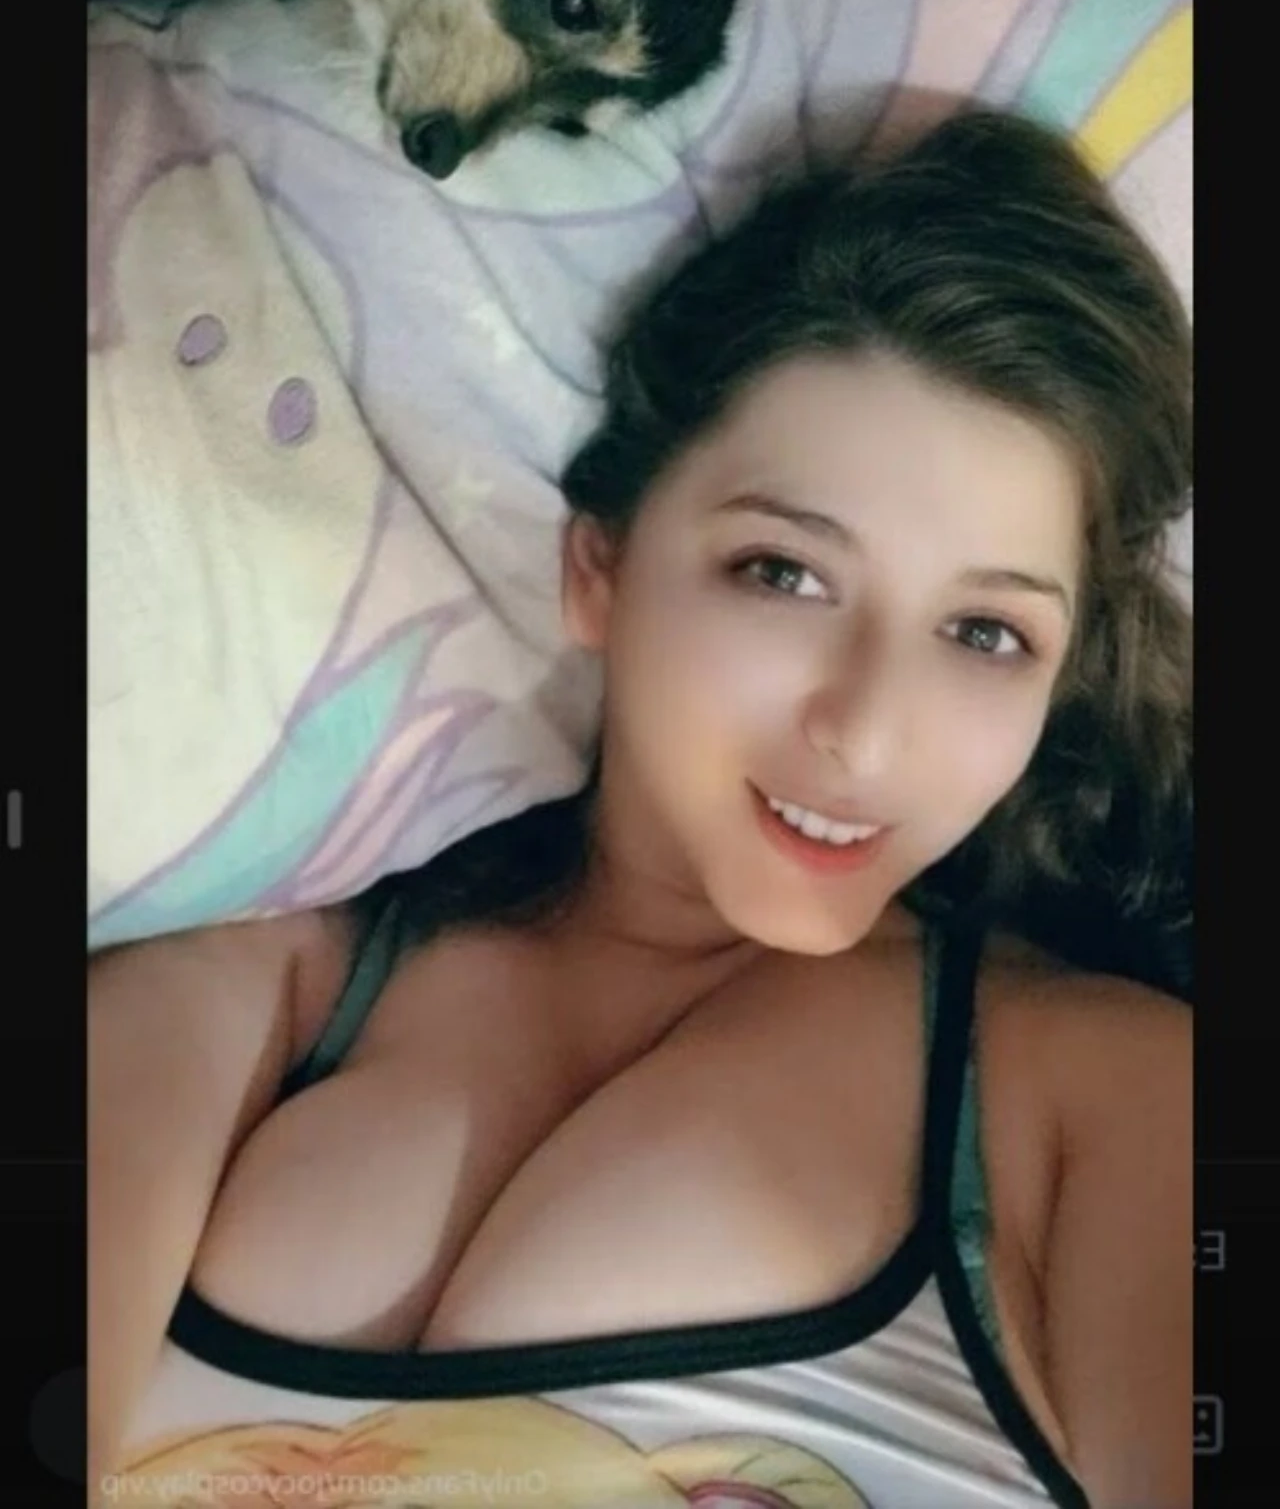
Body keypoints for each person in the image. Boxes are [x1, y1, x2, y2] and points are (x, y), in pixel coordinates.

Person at [90, 110, 1192, 1509]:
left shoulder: (1121, 1102)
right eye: (784, 573)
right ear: (598, 568)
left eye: (985, 633)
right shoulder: (242, 986)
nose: (864, 731)